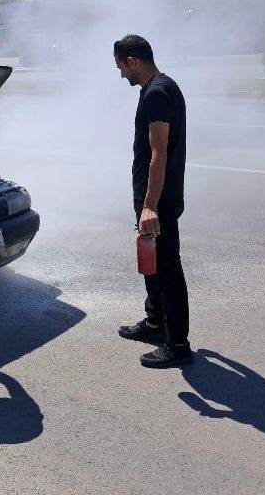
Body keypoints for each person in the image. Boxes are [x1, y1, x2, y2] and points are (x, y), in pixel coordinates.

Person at [113, 34, 193, 368]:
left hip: (158, 200)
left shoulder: (158, 93)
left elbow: (159, 152)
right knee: (152, 263)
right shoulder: (159, 88)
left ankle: (177, 344)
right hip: (153, 196)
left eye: (121, 67)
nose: (121, 75)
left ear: (133, 61)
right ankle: (154, 322)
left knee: (167, 269)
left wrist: (149, 205)